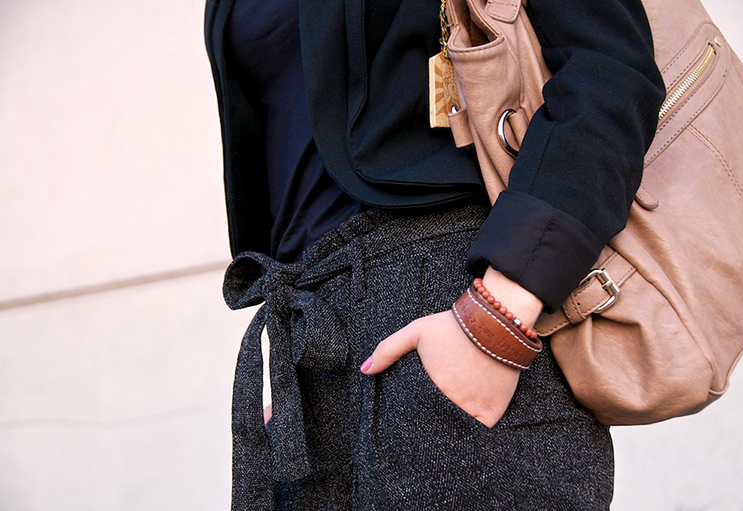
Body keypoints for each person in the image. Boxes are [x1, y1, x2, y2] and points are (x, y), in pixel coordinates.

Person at [204, 0, 666, 508]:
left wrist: (496, 321)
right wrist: (303, 382)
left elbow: (609, 75)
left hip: (451, 290)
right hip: (312, 336)